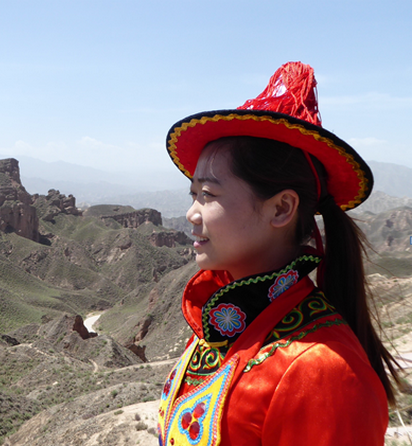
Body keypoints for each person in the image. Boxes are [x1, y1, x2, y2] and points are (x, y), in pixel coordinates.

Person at [157, 62, 399, 446]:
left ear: (282, 208)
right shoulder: (218, 327)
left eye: (209, 195)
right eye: (193, 195)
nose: (192, 214)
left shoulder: (322, 372)